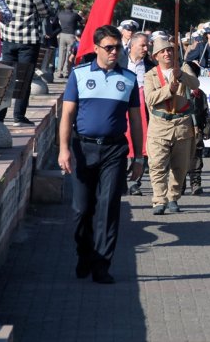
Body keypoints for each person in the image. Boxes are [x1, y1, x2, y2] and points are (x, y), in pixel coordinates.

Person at [58, 25, 143, 284]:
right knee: (82, 209)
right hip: (83, 148)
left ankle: (102, 264)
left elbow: (136, 121)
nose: (114, 52)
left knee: (109, 207)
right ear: (96, 48)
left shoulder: (128, 79)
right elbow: (67, 115)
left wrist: (139, 157)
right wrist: (63, 149)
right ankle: (84, 253)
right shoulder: (79, 75)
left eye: (118, 47)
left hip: (115, 150)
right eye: (109, 47)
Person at [144, 37, 200, 215]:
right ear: (156, 56)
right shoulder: (151, 75)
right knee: (157, 165)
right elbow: (150, 99)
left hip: (181, 125)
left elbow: (196, 84)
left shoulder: (183, 68)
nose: (167, 53)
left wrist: (181, 76)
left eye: (170, 50)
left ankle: (173, 197)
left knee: (180, 166)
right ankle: (159, 200)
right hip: (159, 125)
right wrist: (169, 89)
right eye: (163, 52)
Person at [0, 0, 54, 126]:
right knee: (24, 78)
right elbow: (45, 12)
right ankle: (18, 117)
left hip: (8, 36)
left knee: (6, 78)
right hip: (28, 40)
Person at [120, 32, 155, 196]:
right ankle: (120, 179)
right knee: (121, 145)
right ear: (132, 45)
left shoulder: (150, 67)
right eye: (142, 45)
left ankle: (135, 182)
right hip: (121, 110)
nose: (146, 48)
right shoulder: (119, 63)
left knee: (141, 144)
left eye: (147, 45)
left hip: (143, 112)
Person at [182, 61, 210, 196]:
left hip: (197, 131)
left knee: (196, 159)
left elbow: (206, 112)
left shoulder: (200, 94)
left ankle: (195, 184)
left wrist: (207, 128)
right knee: (180, 159)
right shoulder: (179, 91)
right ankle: (180, 184)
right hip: (181, 130)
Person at [55, 0, 85, 78]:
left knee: (61, 54)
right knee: (69, 53)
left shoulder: (60, 13)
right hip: (71, 35)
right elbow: (82, 21)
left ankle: (59, 72)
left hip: (62, 35)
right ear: (72, 6)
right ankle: (66, 72)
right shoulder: (74, 15)